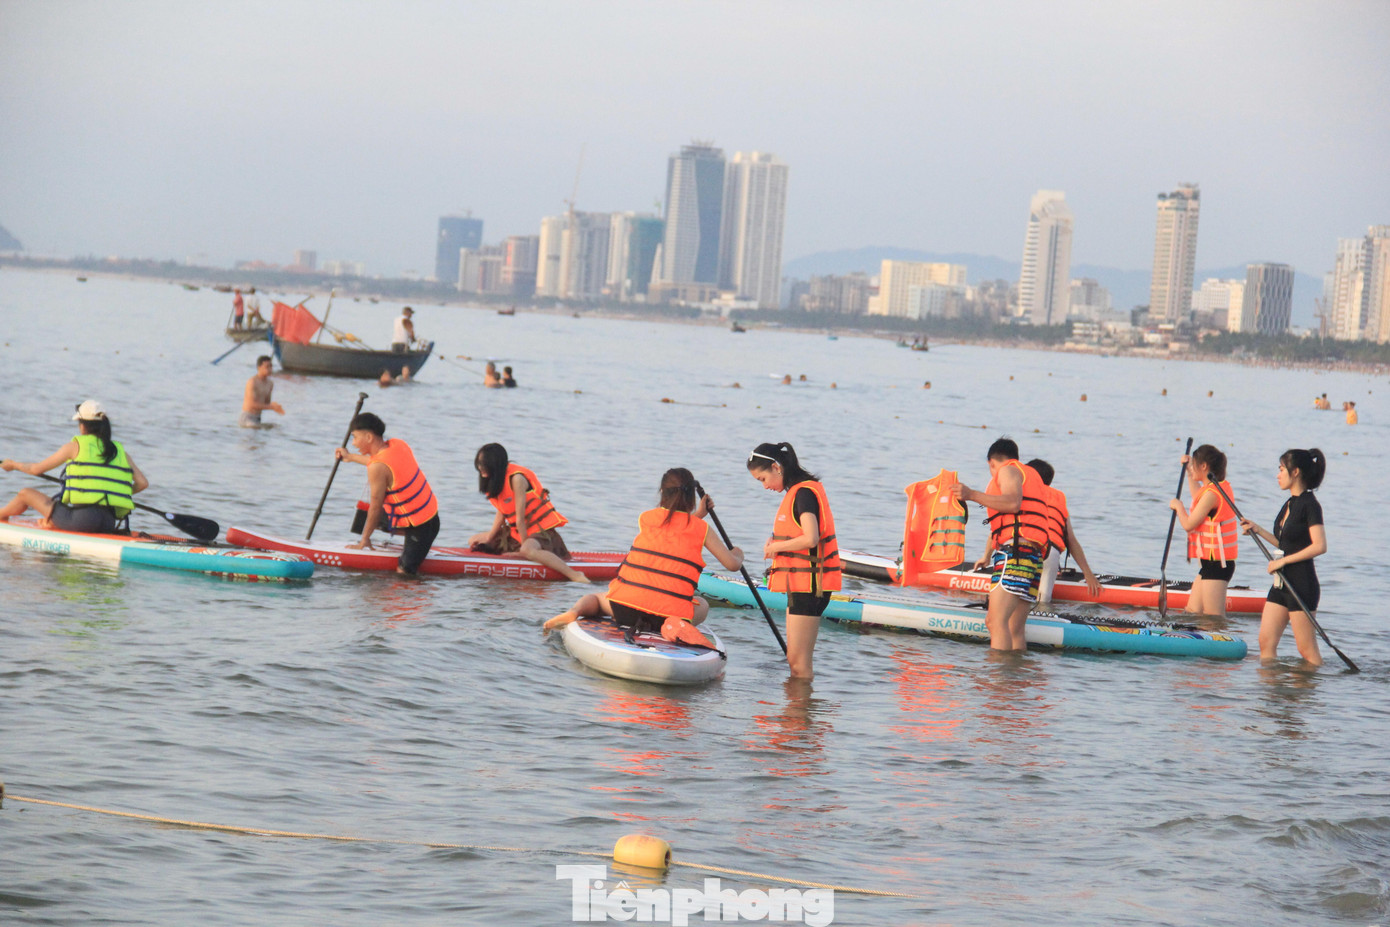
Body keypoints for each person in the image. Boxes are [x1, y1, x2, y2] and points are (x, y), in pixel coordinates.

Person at [545, 469, 744, 642]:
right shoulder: (702, 529)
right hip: (668, 615)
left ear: (662, 494)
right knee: (704, 605)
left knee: (595, 598)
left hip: (624, 609)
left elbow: (673, 528)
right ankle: (674, 627)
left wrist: (698, 514)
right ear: (691, 497)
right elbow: (732, 564)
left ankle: (574, 612)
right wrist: (738, 553)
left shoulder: (646, 518)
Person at [746, 442, 841, 678]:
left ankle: (800, 713)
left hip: (810, 587)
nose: (764, 486)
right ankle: (798, 711)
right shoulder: (798, 492)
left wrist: (777, 546)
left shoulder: (804, 493)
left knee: (799, 664)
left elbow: (811, 537)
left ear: (776, 467)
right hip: (802, 585)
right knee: (794, 660)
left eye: (762, 479)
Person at [951, 437, 1050, 651]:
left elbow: (1013, 504)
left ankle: (997, 681)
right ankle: (1014, 680)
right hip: (1032, 557)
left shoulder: (1007, 470)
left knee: (994, 622)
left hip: (1016, 554)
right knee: (1015, 628)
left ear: (991, 462)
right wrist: (986, 556)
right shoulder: (1030, 475)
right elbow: (1009, 523)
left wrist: (971, 494)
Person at [1, 400, 149, 533]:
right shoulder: (120, 451)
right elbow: (142, 483)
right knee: (63, 511)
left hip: (82, 521)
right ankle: (54, 522)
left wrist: (13, 465)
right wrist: (115, 493)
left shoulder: (74, 447)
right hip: (108, 522)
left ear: (82, 425)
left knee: (25, 494)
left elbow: (35, 469)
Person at [1240, 449, 1327, 665]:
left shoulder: (1310, 505)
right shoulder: (1289, 504)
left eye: (1281, 470)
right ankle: (1271, 695)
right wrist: (1257, 530)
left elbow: (1320, 546)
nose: (1278, 475)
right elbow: (1286, 545)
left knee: (1307, 651)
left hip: (1301, 584)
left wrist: (1283, 561)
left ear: (1295, 471)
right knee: (1265, 642)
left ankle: (1310, 695)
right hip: (1281, 584)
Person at [333, 412, 440, 575]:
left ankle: (411, 543)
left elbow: (375, 507)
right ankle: (403, 534)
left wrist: (364, 541)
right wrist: (351, 457)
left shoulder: (377, 467)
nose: (353, 443)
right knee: (366, 517)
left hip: (421, 525)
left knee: (403, 572)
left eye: (355, 437)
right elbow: (381, 462)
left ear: (368, 437)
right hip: (429, 512)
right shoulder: (397, 444)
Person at [468, 443, 588, 582]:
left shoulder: (517, 479)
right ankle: (521, 551)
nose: (480, 468)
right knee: (474, 539)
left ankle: (575, 575)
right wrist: (489, 539)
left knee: (527, 550)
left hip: (540, 532)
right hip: (517, 533)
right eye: (479, 464)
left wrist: (523, 551)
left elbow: (519, 519)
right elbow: (501, 513)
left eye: (484, 464)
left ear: (495, 464)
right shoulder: (497, 480)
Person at [1166, 444, 1238, 617]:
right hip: (1209, 564)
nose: (1192, 469)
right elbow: (1197, 495)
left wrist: (1179, 507)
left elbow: (1189, 524)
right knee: (1192, 612)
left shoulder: (1213, 493)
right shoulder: (1211, 489)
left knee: (1213, 618)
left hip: (1218, 565)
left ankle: (1223, 642)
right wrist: (1188, 469)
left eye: (1194, 465)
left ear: (1204, 466)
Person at [1025, 459, 1101, 606]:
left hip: (1026, 548)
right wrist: (1088, 574)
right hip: (1051, 553)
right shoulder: (1058, 499)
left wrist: (987, 556)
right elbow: (1071, 540)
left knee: (1018, 598)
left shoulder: (1024, 492)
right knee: (1043, 603)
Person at [240, 355, 285, 427]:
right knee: (255, 427)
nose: (270, 369)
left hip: (258, 418)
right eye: (267, 367)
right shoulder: (252, 382)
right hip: (247, 417)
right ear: (259, 368)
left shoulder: (270, 384)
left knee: (276, 427)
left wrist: (275, 406)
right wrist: (272, 407)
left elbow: (266, 403)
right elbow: (251, 404)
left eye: (271, 366)